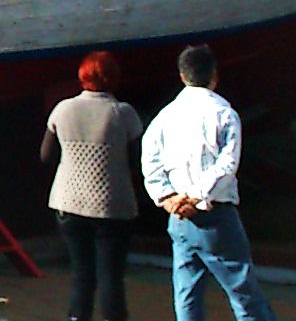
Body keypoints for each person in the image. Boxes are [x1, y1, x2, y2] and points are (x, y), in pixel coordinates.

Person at [141, 44, 279, 321]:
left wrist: (168, 198)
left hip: (178, 217)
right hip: (215, 213)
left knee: (186, 294)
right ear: (214, 75)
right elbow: (227, 164)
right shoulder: (224, 113)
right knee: (243, 293)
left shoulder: (164, 117)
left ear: (182, 75)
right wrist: (195, 195)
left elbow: (150, 160)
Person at [43, 49, 143, 321]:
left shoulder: (63, 109)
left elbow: (46, 155)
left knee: (81, 272)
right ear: (114, 78)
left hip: (68, 202)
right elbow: (136, 161)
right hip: (112, 205)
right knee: (111, 276)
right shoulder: (123, 113)